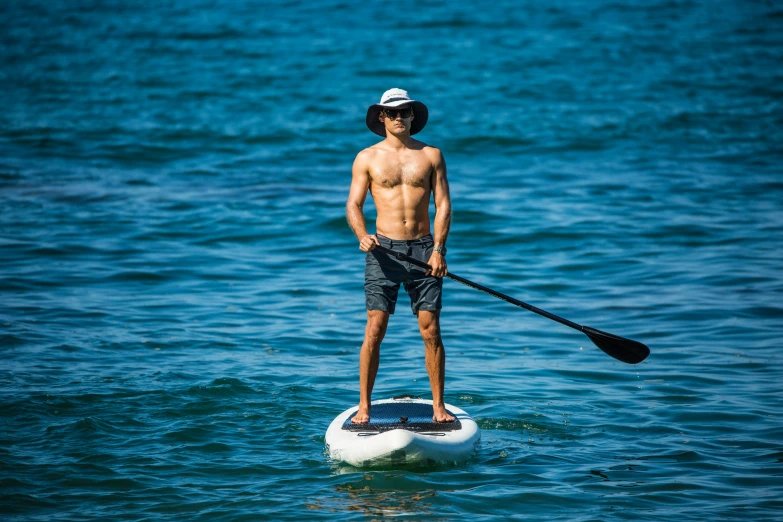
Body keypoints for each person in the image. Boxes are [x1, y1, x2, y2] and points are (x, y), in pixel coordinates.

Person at [346, 88, 455, 424]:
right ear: (381, 117)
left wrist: (438, 249)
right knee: (375, 328)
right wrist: (362, 236)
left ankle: (438, 406)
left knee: (431, 329)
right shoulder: (367, 157)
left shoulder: (431, 155)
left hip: (424, 250)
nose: (398, 117)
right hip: (383, 251)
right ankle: (364, 406)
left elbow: (444, 204)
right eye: (391, 113)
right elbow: (353, 204)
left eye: (404, 112)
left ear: (412, 117)